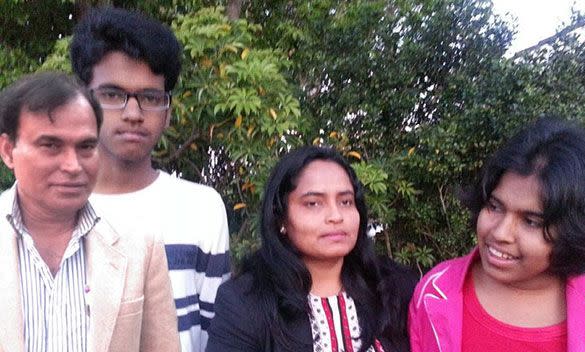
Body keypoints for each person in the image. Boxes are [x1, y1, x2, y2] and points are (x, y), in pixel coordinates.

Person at [70, 7, 230, 351]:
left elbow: (215, 334)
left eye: (150, 97)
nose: (133, 113)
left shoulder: (201, 207)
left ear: (168, 111)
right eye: (112, 95)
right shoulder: (29, 213)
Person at [409, 118, 585, 351]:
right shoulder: (435, 293)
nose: (500, 233)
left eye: (531, 222)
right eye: (495, 206)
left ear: (575, 231)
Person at [0, 71, 179, 351]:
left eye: (86, 147)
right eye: (51, 146)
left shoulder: (139, 245)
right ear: (8, 151)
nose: (73, 165)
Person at [206, 146, 417, 352]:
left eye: (346, 201)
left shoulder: (396, 287)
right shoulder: (246, 303)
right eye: (313, 203)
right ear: (281, 217)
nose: (336, 216)